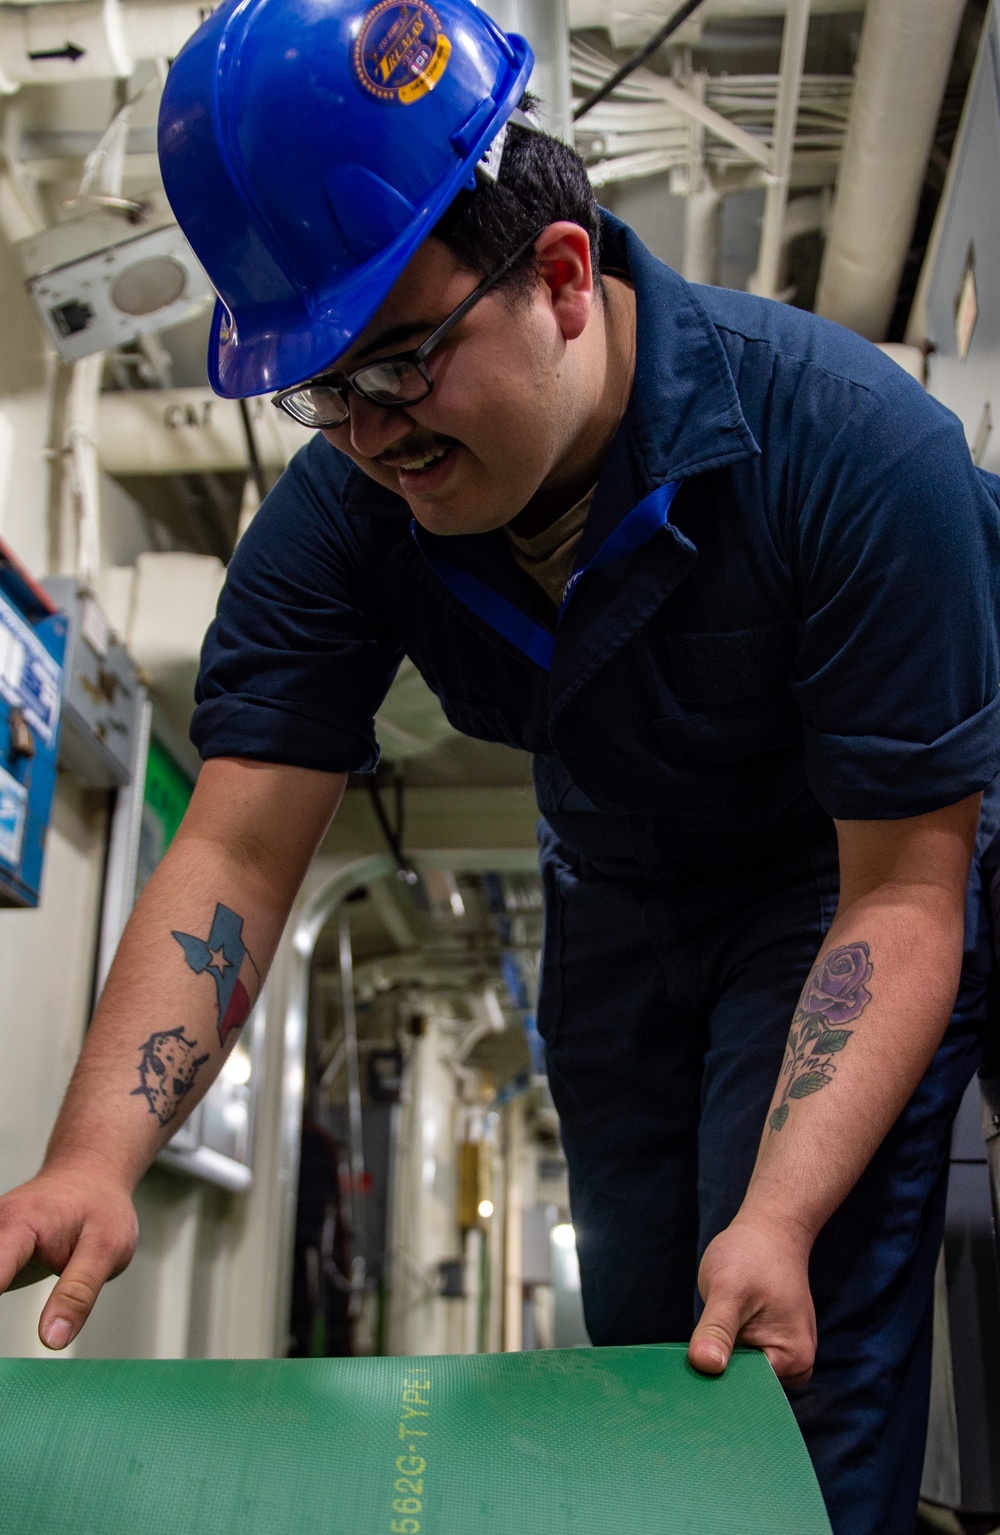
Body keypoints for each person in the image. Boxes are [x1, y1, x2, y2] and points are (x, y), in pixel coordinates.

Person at [1, 0, 998, 1529]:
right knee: (637, 1354)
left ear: (562, 276)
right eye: (319, 391)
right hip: (611, 885)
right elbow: (237, 852)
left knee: (778, 1360)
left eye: (397, 364)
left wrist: (785, 1212)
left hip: (846, 881)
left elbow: (910, 899)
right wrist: (91, 1155)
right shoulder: (346, 517)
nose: (369, 436)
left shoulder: (857, 459)